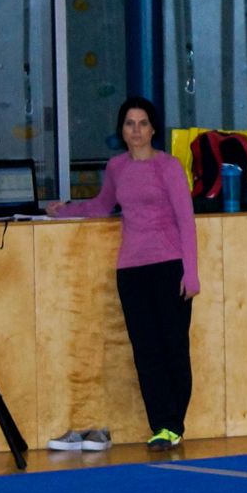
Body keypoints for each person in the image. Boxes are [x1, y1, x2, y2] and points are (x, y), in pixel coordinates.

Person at [46, 96, 199, 451]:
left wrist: (191, 273)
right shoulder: (116, 167)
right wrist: (64, 210)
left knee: (174, 348)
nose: (136, 130)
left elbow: (186, 221)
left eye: (143, 123)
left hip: (169, 267)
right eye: (130, 124)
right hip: (131, 270)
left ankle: (173, 425)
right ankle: (162, 425)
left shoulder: (169, 166)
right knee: (146, 351)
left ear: (154, 129)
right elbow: (102, 205)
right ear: (122, 130)